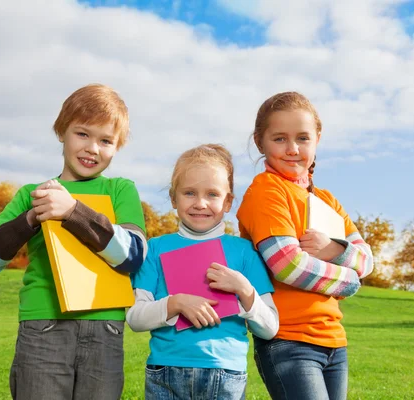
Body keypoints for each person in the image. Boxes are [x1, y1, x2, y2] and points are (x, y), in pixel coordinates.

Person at [0, 84, 146, 400]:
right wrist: (30, 219)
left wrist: (73, 212)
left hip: (104, 328)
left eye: (106, 140)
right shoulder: (32, 195)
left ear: (118, 146)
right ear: (61, 131)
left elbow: (133, 256)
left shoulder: (120, 190)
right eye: (83, 134)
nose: (93, 148)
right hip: (43, 326)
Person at [236, 91, 374, 400]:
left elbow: (367, 261)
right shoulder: (266, 192)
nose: (293, 149)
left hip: (334, 341)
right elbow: (287, 265)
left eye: (302, 138)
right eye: (280, 139)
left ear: (318, 138)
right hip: (288, 340)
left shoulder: (327, 201)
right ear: (260, 142)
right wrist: (349, 281)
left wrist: (335, 250)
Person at [126, 144, 279, 400]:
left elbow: (270, 328)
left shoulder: (244, 253)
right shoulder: (155, 249)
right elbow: (135, 318)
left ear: (228, 201)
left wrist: (244, 289)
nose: (200, 203)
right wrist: (175, 304)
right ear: (174, 198)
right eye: (189, 193)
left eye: (212, 194)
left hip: (225, 374)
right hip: (165, 371)